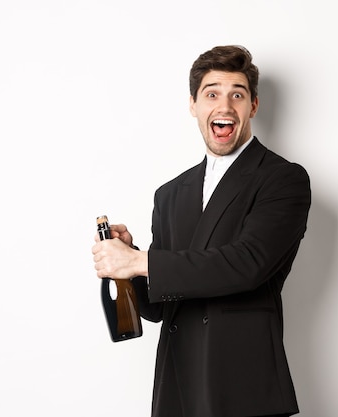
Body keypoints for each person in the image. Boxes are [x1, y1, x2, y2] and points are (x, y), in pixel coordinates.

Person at [92, 45, 311, 417]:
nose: (224, 106)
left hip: (242, 386)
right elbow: (160, 307)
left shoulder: (282, 178)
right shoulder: (170, 193)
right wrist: (129, 261)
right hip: (178, 387)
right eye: (211, 94)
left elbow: (246, 264)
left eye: (237, 95)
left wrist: (141, 262)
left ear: (253, 106)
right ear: (193, 105)